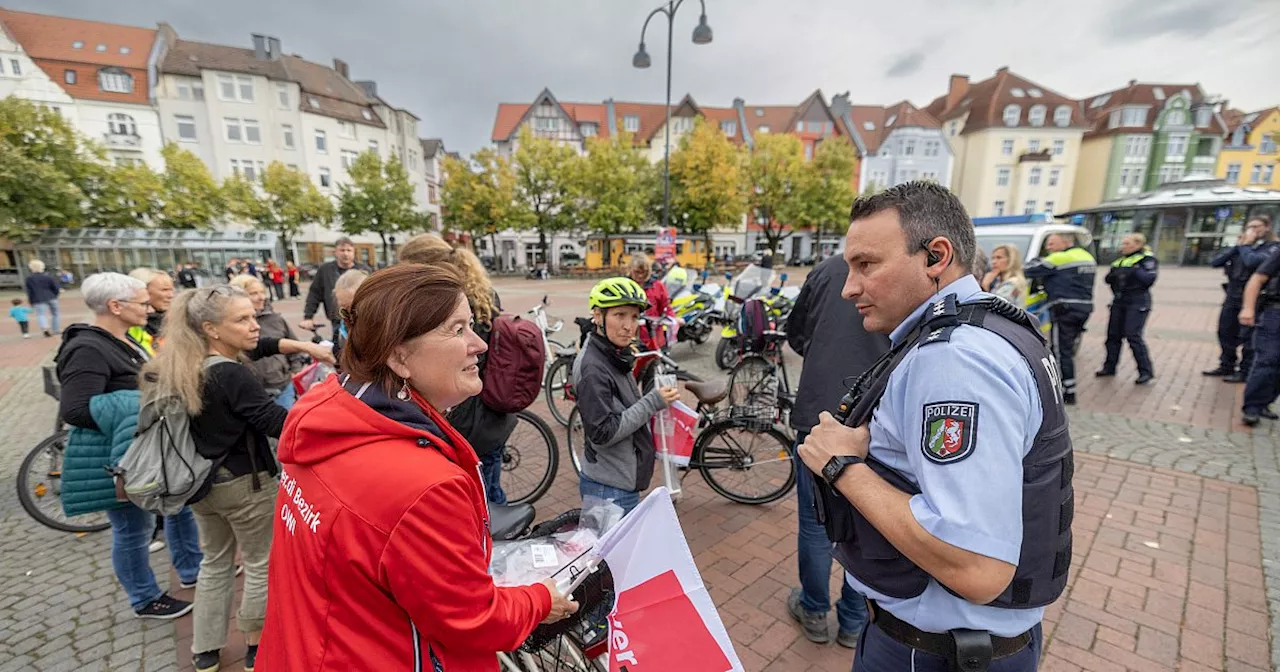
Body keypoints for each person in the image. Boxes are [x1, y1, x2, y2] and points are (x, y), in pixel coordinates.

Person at [797, 182, 1070, 671]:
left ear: (935, 257)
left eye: (866, 264)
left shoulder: (955, 361)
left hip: (933, 652)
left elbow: (977, 566)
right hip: (956, 643)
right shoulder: (983, 331)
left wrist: (840, 465)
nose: (848, 287)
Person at [256, 264, 576, 671]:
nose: (479, 344)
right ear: (398, 356)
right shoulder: (422, 486)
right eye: (457, 330)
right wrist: (542, 598)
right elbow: (472, 621)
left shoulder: (327, 413)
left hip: (306, 648)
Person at [141, 284, 332, 672]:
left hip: (201, 484)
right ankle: (255, 645)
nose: (254, 325)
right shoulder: (230, 374)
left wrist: (305, 348)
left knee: (215, 562)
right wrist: (324, 400)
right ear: (212, 329)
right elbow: (275, 421)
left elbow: (262, 347)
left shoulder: (181, 362)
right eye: (242, 319)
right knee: (262, 562)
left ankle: (205, 649)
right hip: (245, 483)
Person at [56, 273, 203, 620]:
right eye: (141, 302)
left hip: (144, 452)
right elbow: (75, 409)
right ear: (115, 306)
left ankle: (191, 567)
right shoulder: (87, 349)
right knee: (131, 529)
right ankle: (145, 598)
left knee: (177, 507)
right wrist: (138, 405)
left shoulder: (122, 339)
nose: (148, 307)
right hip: (120, 458)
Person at [785, 255, 889, 647]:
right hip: (875, 419)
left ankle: (813, 610)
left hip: (820, 410)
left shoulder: (827, 270)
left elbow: (797, 333)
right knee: (867, 523)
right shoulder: (901, 264)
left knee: (815, 525)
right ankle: (852, 619)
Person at [398, 234, 517, 504]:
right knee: (491, 489)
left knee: (481, 500)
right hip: (491, 413)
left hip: (468, 418)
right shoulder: (482, 294)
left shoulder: (448, 302)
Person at [574, 277, 680, 516]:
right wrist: (653, 401)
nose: (628, 326)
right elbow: (603, 432)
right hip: (609, 489)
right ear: (598, 316)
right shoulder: (594, 367)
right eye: (619, 315)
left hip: (620, 482)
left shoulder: (614, 354)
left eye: (634, 317)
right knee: (612, 555)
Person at [1024, 232, 1096, 404]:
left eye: (1051, 244)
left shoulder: (1060, 258)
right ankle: (1067, 387)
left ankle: (1066, 391)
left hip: (1064, 309)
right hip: (1084, 308)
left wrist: (1035, 259)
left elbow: (1030, 270)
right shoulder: (1086, 256)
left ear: (1064, 243)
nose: (1048, 248)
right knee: (1069, 349)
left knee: (1060, 350)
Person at [1208, 215, 1279, 383]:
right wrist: (1239, 245)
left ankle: (1245, 371)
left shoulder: (1272, 248)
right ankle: (1226, 364)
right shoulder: (1244, 247)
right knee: (1225, 331)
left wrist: (1246, 245)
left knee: (1248, 337)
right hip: (1232, 295)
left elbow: (1252, 262)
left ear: (1267, 228)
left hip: (1254, 298)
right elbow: (1215, 262)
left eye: (1257, 227)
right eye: (1250, 227)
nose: (1252, 230)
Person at [230, 274, 303, 410]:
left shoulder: (276, 320)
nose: (261, 297)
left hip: (283, 387)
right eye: (253, 293)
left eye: (262, 292)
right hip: (252, 393)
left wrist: (295, 371)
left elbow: (293, 347)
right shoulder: (231, 326)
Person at [1097, 234, 1158, 384]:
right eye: (1123, 243)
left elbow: (1148, 280)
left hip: (1137, 302)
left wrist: (1133, 271)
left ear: (1138, 245)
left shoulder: (1147, 260)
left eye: (1126, 244)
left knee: (1133, 336)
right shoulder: (1120, 261)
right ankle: (1109, 367)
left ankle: (1146, 372)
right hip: (1119, 301)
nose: (1122, 246)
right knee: (1113, 336)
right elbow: (1108, 279)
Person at [1237, 245, 1280, 425]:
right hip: (1275, 313)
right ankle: (1252, 407)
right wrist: (1248, 308)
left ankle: (1264, 403)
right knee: (1268, 359)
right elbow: (1257, 278)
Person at [301, 237, 370, 341]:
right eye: (342, 250)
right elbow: (314, 293)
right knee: (339, 348)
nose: (346, 254)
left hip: (361, 319)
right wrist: (308, 316)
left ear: (354, 252)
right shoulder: (325, 270)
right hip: (336, 319)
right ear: (335, 252)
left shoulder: (364, 270)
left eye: (349, 250)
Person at [629, 254, 679, 350]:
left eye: (644, 272)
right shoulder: (624, 286)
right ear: (630, 269)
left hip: (654, 335)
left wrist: (673, 320)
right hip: (631, 337)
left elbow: (665, 307)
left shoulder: (657, 286)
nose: (640, 275)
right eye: (637, 272)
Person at [127, 268, 176, 354]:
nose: (171, 295)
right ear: (143, 291)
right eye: (164, 290)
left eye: (171, 290)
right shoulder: (127, 324)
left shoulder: (177, 320)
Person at [25, 259, 61, 337]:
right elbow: (56, 288)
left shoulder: (29, 279)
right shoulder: (48, 277)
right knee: (55, 313)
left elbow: (29, 291)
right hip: (51, 296)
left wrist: (31, 300)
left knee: (41, 314)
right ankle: (56, 329)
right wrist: (55, 295)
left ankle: (45, 328)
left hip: (37, 298)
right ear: (42, 267)